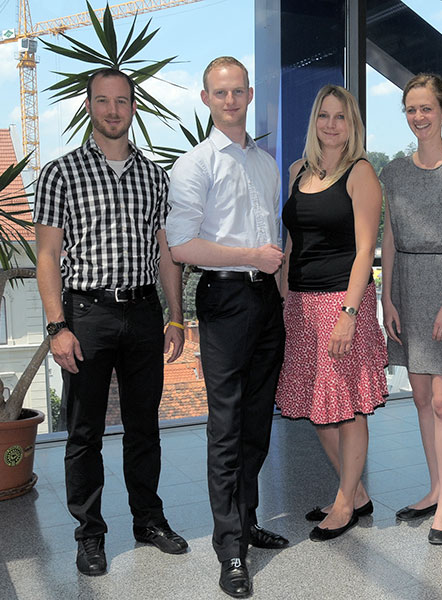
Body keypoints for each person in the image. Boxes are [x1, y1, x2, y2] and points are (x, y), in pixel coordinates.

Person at [34, 68, 188, 577]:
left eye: (122, 101)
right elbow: (48, 256)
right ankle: (90, 534)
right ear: (88, 106)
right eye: (103, 101)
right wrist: (57, 327)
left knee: (145, 427)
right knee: (84, 433)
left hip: (144, 312)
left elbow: (166, 254)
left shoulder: (153, 176)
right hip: (87, 315)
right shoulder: (61, 173)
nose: (113, 111)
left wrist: (175, 316)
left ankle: (148, 520)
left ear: (134, 107)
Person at [166, 56, 288, 599]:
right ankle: (229, 549)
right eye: (221, 93)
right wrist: (252, 257)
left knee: (258, 421)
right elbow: (181, 246)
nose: (231, 100)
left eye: (239, 91)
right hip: (225, 299)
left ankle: (247, 518)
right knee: (227, 426)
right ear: (206, 98)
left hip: (265, 303)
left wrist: (278, 289)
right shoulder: (195, 165)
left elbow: (276, 249)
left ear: (250, 93)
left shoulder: (265, 163)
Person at [275, 84, 386, 543]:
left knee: (348, 407)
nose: (332, 124)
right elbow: (292, 242)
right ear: (314, 121)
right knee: (316, 408)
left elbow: (366, 251)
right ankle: (354, 491)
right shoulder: (297, 170)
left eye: (341, 117)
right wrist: (283, 298)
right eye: (324, 115)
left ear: (352, 124)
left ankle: (344, 503)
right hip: (299, 304)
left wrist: (349, 312)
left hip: (341, 300)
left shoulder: (361, 173)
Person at [380, 73, 442, 545]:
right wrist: (386, 298)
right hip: (405, 286)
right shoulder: (395, 172)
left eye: (426, 108)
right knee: (421, 398)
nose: (418, 117)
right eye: (410, 109)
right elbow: (391, 237)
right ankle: (435, 488)